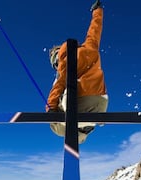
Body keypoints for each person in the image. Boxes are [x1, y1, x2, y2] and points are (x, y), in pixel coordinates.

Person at [46, 0, 108, 144]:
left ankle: (79, 131)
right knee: (76, 120)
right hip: (101, 102)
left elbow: (59, 85)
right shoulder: (90, 47)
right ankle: (85, 128)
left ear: (56, 57)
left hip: (79, 102)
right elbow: (95, 30)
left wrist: (51, 109)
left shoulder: (65, 61)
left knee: (54, 126)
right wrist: (97, 11)